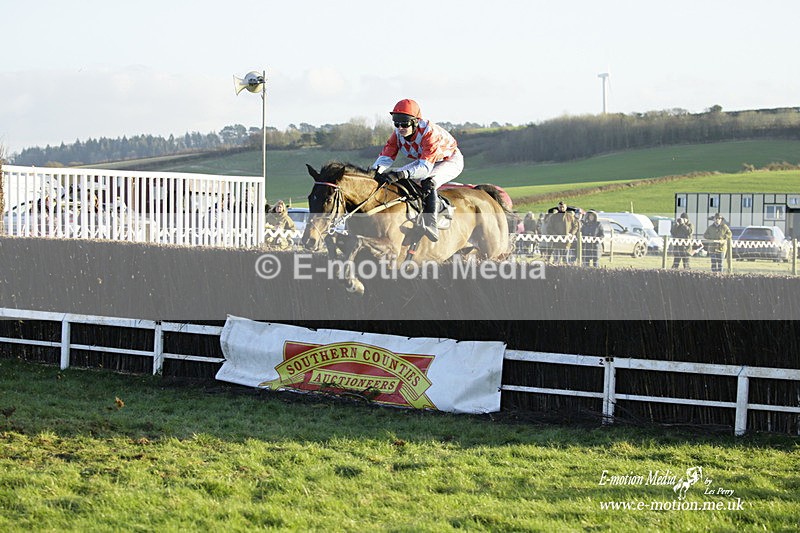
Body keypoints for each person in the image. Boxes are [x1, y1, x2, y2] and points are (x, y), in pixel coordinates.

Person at [370, 98, 463, 241]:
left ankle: (431, 224)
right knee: (394, 178)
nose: (400, 128)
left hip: (449, 160)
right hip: (426, 160)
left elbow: (424, 169)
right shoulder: (397, 134)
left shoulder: (430, 134)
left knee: (428, 182)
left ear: (415, 122)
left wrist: (401, 174)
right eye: (396, 123)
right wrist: (374, 172)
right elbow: (386, 157)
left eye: (404, 124)